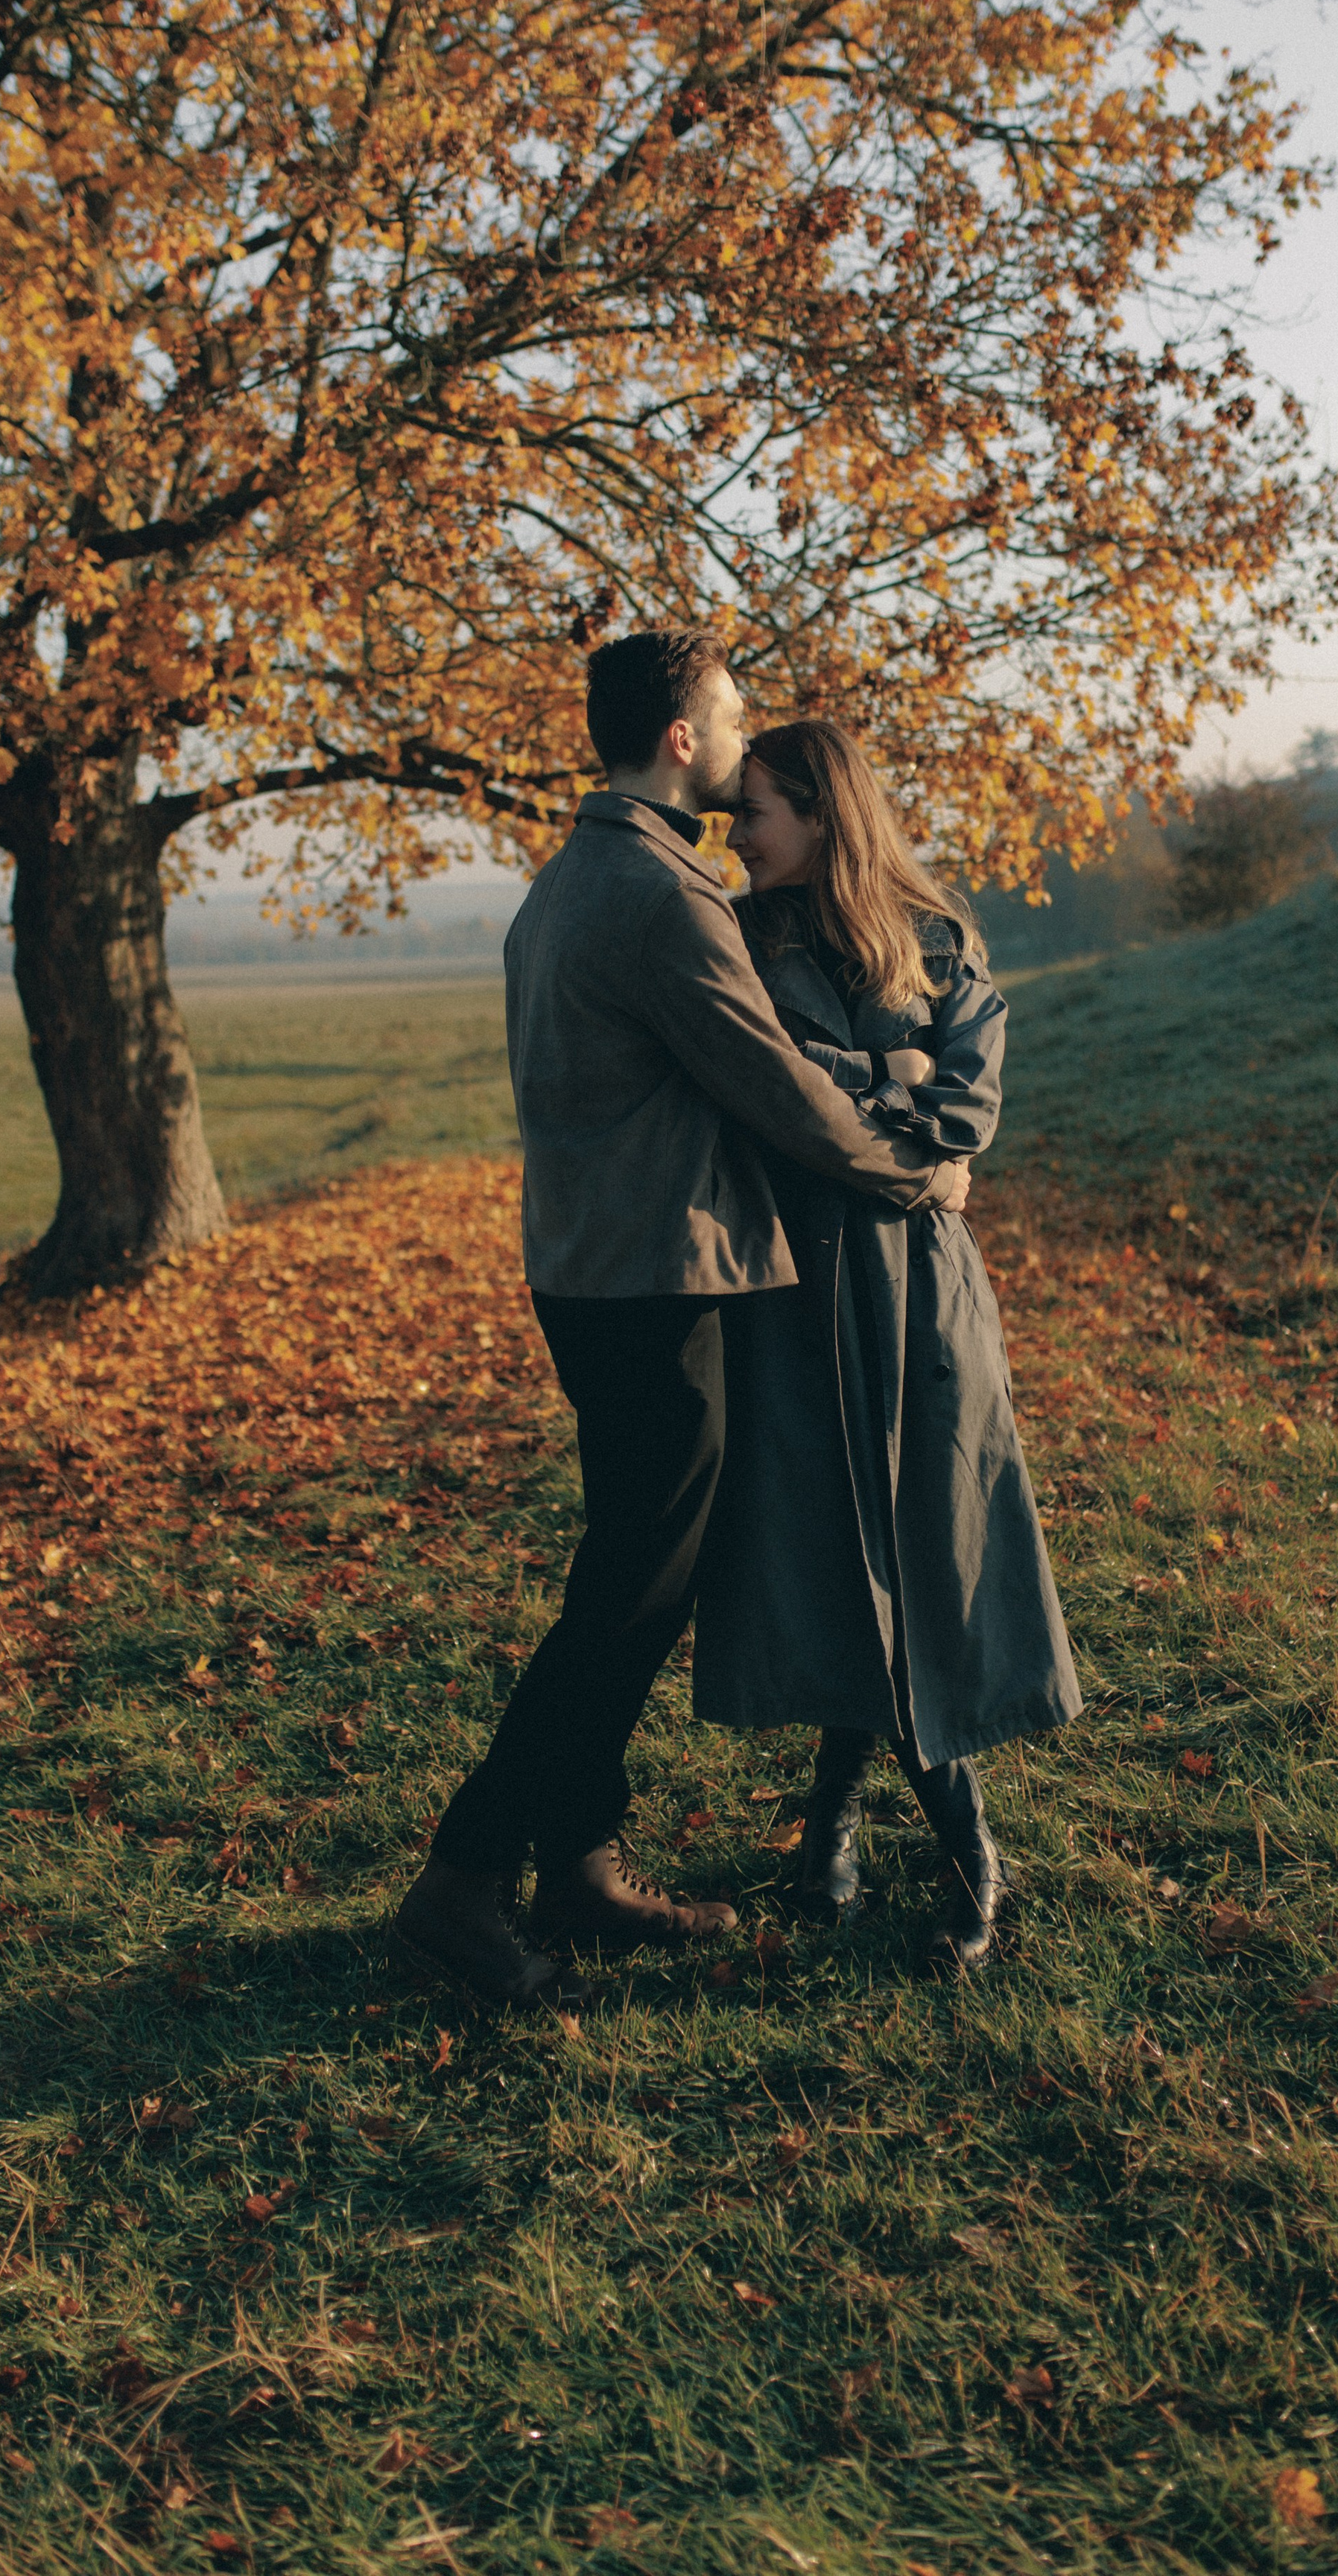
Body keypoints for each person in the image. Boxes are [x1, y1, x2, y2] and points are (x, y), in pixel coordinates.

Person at [393, 632, 971, 2009]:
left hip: (597, 1271)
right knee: (625, 1599)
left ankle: (579, 1862)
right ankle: (465, 1879)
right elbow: (775, 1087)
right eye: (729, 720)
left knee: (631, 1581)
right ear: (677, 738)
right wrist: (919, 1167)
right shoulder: (661, 896)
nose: (740, 740)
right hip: (656, 1283)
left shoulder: (570, 881)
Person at [694, 719, 1081, 1972]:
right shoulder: (738, 945)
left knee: (916, 1557)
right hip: (798, 1293)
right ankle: (869, 1843)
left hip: (921, 1297)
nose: (734, 833)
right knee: (840, 1557)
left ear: (821, 814)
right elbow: (763, 1100)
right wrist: (887, 1082)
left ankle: (916, 1851)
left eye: (752, 810)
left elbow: (969, 1108)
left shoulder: (938, 941)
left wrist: (868, 1092)